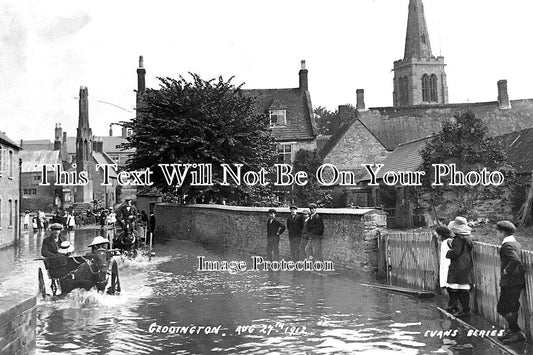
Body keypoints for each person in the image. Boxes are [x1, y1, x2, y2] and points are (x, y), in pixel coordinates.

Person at [495, 221, 526, 344]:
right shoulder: (515, 243)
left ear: (503, 232)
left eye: (498, 232)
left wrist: (507, 270)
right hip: (516, 282)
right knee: (512, 307)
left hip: (510, 282)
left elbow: (515, 259)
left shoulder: (507, 245)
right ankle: (511, 331)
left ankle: (517, 332)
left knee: (502, 308)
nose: (497, 234)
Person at [446, 216, 474, 317]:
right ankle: (464, 308)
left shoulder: (457, 240)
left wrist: (448, 252)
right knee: (463, 288)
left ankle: (463, 309)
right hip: (465, 265)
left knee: (456, 287)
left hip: (458, 266)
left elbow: (456, 252)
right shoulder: (467, 240)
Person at [435, 226, 455, 312]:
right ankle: (452, 304)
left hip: (448, 266)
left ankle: (453, 305)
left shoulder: (448, 241)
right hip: (444, 266)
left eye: (437, 234)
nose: (436, 236)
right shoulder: (443, 242)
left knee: (450, 287)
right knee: (447, 287)